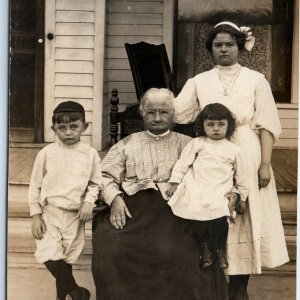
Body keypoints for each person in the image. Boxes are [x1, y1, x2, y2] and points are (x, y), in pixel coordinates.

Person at [173, 21, 289, 299]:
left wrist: (264, 164)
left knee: (244, 216)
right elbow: (178, 113)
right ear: (210, 49)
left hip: (247, 153)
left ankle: (239, 288)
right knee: (214, 214)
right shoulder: (198, 81)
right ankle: (215, 284)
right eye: (217, 45)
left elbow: (268, 125)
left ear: (239, 47)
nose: (223, 49)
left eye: (229, 44)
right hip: (210, 158)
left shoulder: (256, 80)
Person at [92, 88, 228, 300]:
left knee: (180, 252)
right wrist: (115, 199)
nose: (157, 118)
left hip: (176, 210)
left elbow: (210, 174)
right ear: (142, 113)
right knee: (110, 245)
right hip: (132, 210)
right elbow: (104, 176)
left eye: (164, 112)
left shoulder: (189, 144)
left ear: (173, 113)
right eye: (151, 112)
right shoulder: (126, 144)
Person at [28, 101, 102, 300]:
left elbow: (96, 183)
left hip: (74, 215)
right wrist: (35, 215)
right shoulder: (46, 153)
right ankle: (78, 293)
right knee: (49, 254)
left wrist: (89, 202)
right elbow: (34, 185)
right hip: (49, 213)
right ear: (54, 129)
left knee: (66, 258)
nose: (68, 132)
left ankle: (63, 297)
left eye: (74, 127)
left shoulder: (90, 154)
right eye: (62, 128)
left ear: (84, 127)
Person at [166, 103, 248, 270]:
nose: (216, 129)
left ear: (229, 125)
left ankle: (220, 248)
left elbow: (242, 176)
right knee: (196, 212)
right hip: (198, 185)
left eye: (221, 124)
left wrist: (243, 197)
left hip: (220, 189)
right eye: (210, 124)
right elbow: (183, 163)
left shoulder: (233, 150)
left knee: (220, 215)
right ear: (202, 126)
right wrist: (174, 182)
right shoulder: (197, 144)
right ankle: (205, 247)